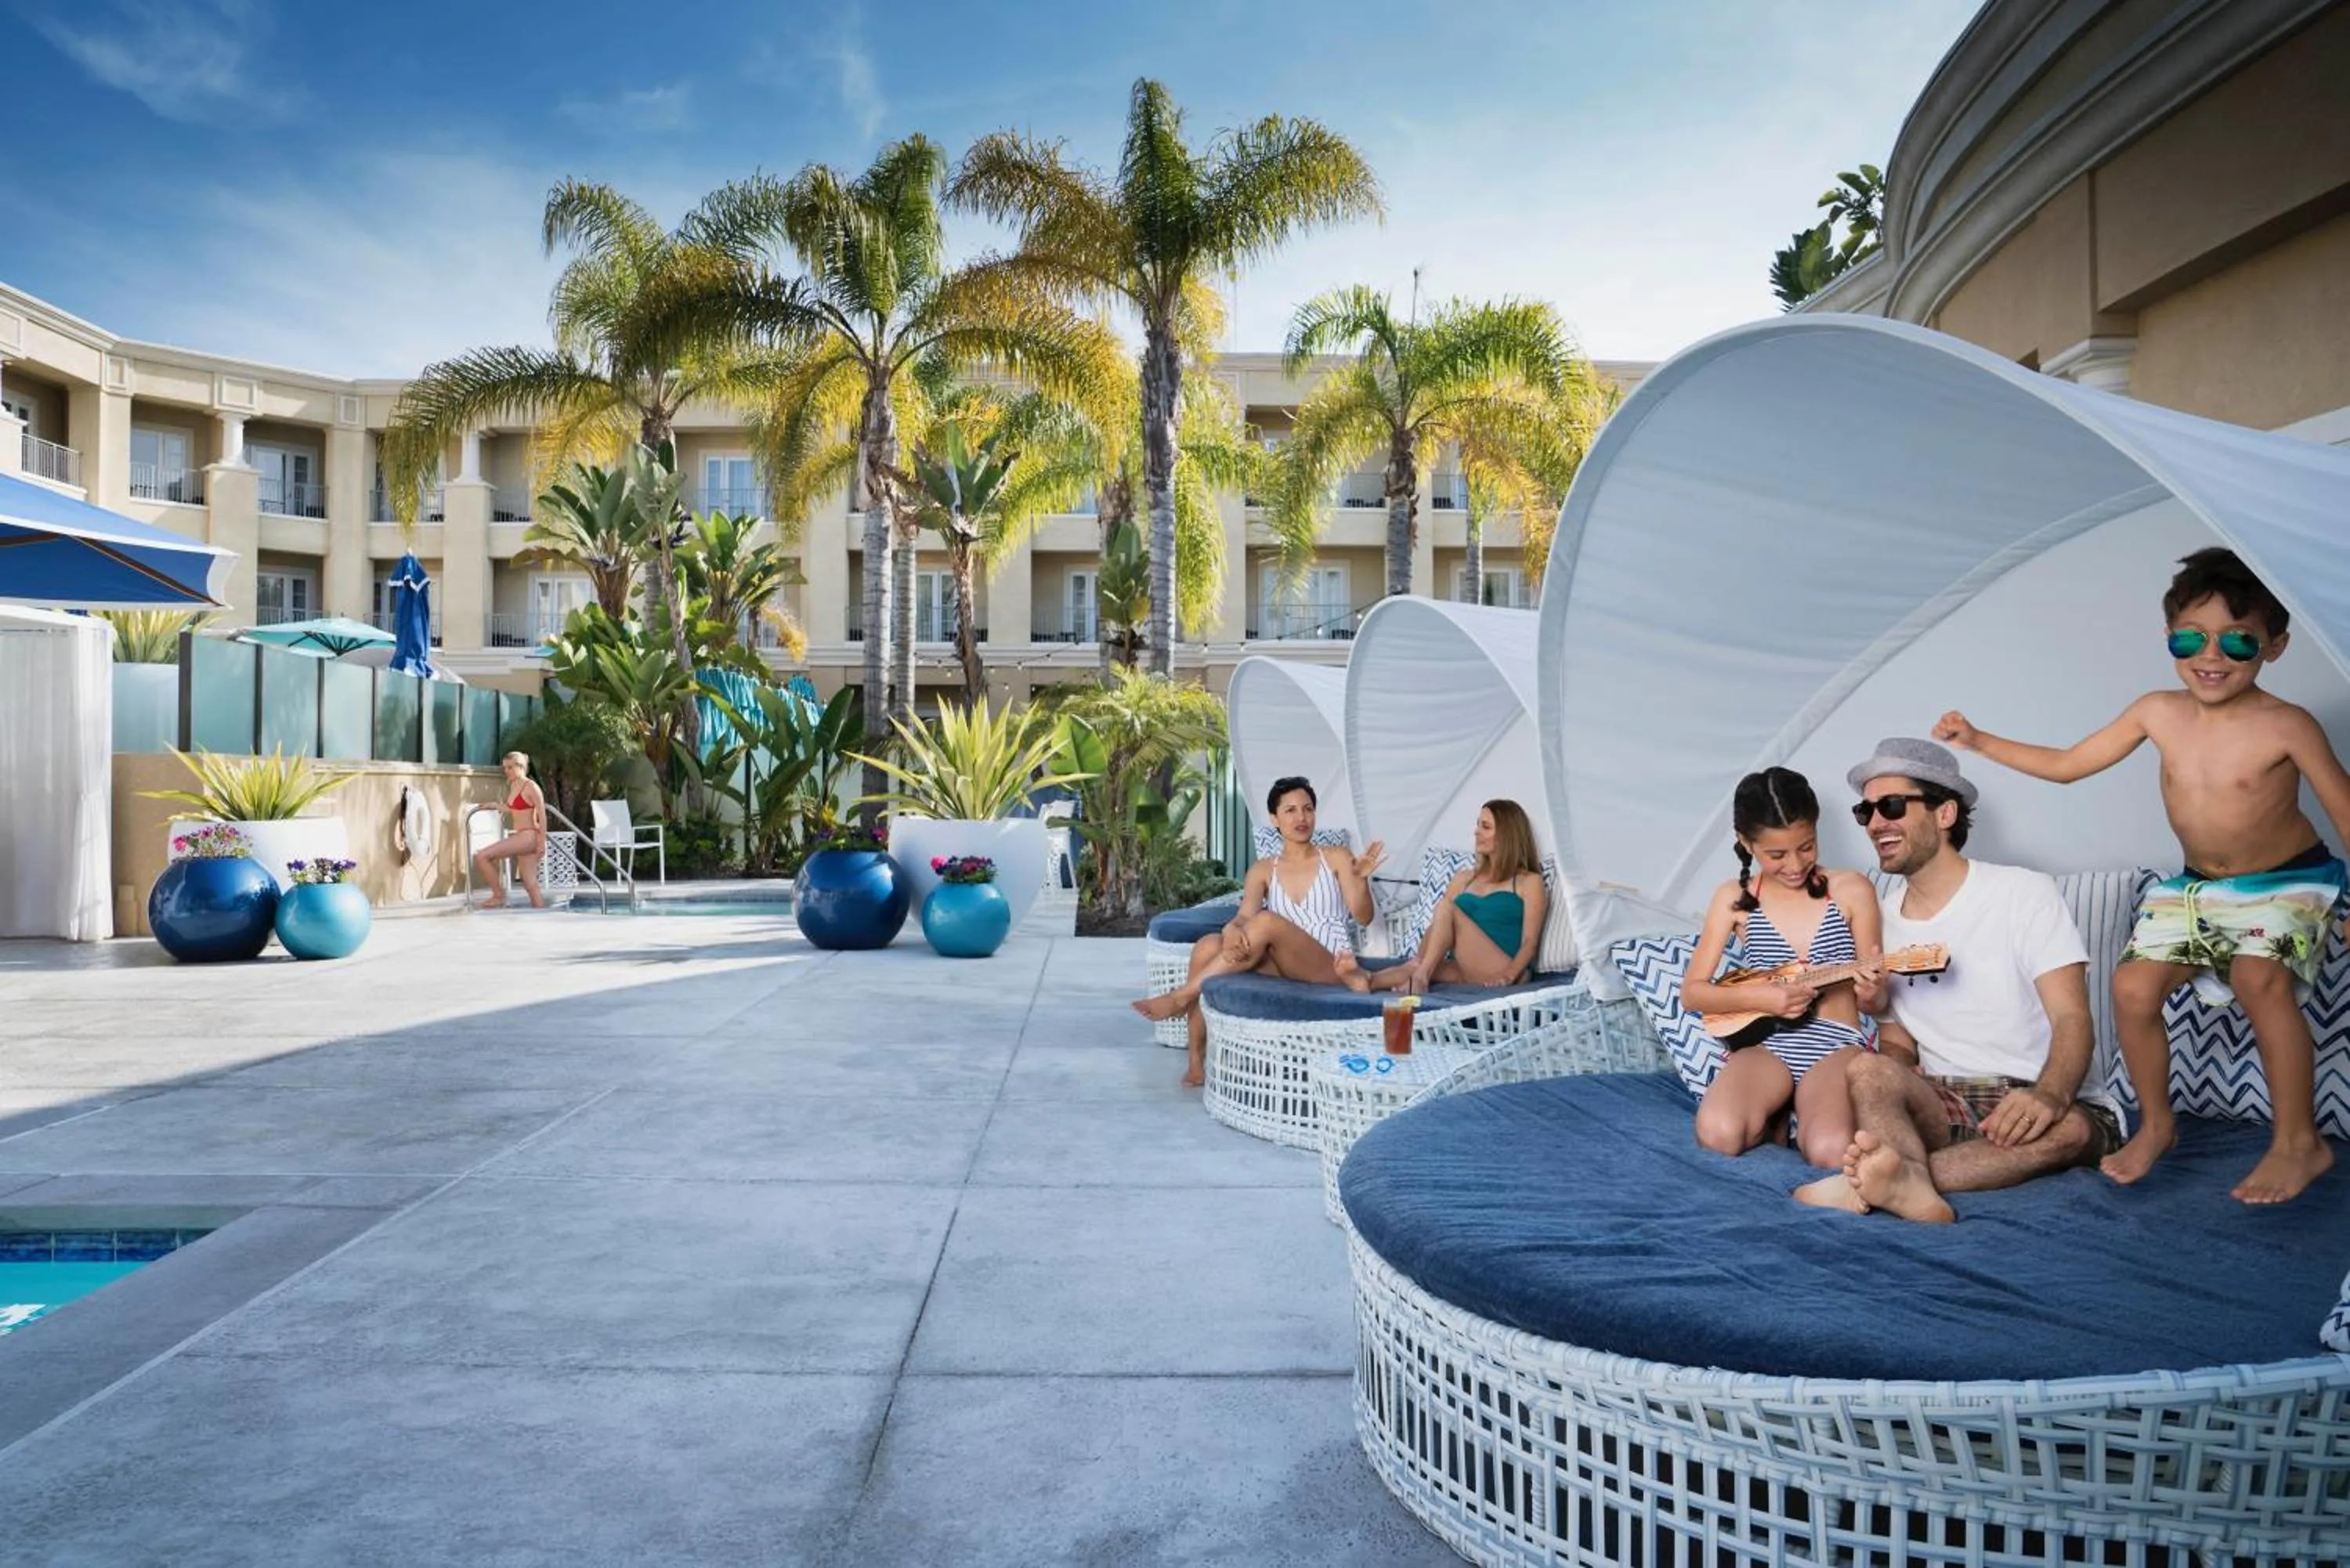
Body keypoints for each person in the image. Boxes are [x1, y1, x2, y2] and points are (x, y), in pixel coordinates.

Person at [1935, 547, 2350, 1204]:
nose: (2210, 657)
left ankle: (2300, 1140)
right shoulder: (2157, 711)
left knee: (2256, 976)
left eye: (2238, 642)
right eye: (2191, 638)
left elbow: (2344, 809)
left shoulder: (2287, 725)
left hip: (2286, 881)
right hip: (2196, 887)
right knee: (2131, 988)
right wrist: (1981, 741)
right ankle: (2158, 1125)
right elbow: (2071, 764)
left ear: (2275, 646)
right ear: (2169, 638)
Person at [1794, 738, 2123, 1222]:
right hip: (1944, 1099)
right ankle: (1897, 1179)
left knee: (2072, 1130)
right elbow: (1897, 1041)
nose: (1876, 823)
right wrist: (1898, 1075)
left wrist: (2049, 1094)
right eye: (1866, 812)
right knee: (1866, 1070)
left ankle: (1879, 1182)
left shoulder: (2024, 892)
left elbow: (2073, 1017)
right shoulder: (1879, 921)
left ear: (1945, 814)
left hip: (2038, 1091)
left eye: (1891, 806)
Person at [1677, 768, 1885, 1165]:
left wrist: (1872, 992)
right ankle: (1771, 1111)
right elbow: (1693, 993)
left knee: (1829, 1150)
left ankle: (1788, 1120)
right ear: (1745, 843)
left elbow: (1875, 1004)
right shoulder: (1734, 898)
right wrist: (1765, 998)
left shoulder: (1852, 889)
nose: (1795, 865)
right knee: (1718, 1134)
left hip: (1836, 1043)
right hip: (1767, 1043)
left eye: (1807, 847)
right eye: (1776, 855)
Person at [1133, 776, 1386, 1088]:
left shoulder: (1336, 857)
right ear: (1274, 819)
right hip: (1282, 965)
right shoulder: (1264, 869)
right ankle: (1196, 1062)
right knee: (1207, 946)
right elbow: (1243, 917)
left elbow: (1363, 917)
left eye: (1308, 809)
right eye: (1291, 810)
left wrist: (1359, 879)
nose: (1301, 818)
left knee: (1267, 922)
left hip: (1331, 965)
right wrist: (1229, 932)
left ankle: (1182, 996)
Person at [1336, 800, 1548, 995]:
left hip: (1504, 966)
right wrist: (1424, 957)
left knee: (1446, 909)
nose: (1476, 832)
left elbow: (1530, 942)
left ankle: (1420, 978)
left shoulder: (1528, 881)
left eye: (1485, 827)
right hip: (1467, 967)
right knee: (1418, 962)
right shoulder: (1463, 879)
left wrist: (1509, 975)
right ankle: (1368, 980)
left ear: (1506, 834)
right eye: (1477, 825)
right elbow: (1440, 925)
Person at [473, 751, 548, 909]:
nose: (506, 771)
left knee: (482, 856)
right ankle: (543, 915)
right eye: (505, 768)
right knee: (530, 883)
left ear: (521, 767)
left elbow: (542, 815)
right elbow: (512, 808)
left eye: (510, 768)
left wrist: (542, 842)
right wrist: (493, 805)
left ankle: (498, 896)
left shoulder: (531, 787)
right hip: (522, 836)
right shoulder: (514, 785)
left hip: (529, 836)